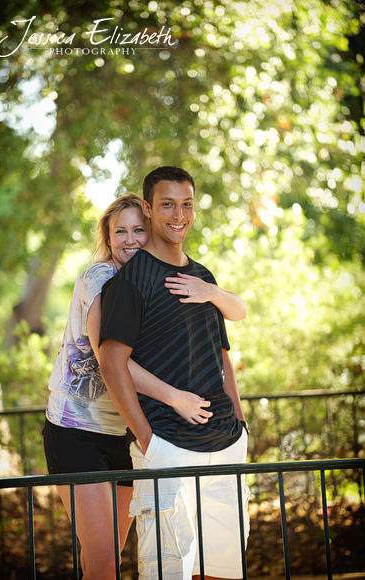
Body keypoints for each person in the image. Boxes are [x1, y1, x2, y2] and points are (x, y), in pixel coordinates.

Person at [43, 192, 246, 580]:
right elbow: (110, 361)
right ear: (107, 236)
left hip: (129, 433)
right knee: (102, 562)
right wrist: (175, 398)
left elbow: (215, 343)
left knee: (108, 560)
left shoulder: (150, 280)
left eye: (139, 229)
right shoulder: (99, 278)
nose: (131, 239)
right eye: (120, 231)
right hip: (79, 432)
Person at [98, 167, 250, 580]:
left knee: (224, 571)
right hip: (167, 448)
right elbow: (112, 363)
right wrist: (149, 442)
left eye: (186, 204)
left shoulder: (203, 277)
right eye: (167, 204)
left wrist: (239, 421)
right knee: (168, 574)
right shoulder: (130, 281)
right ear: (148, 209)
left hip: (226, 445)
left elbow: (221, 357)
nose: (178, 214)